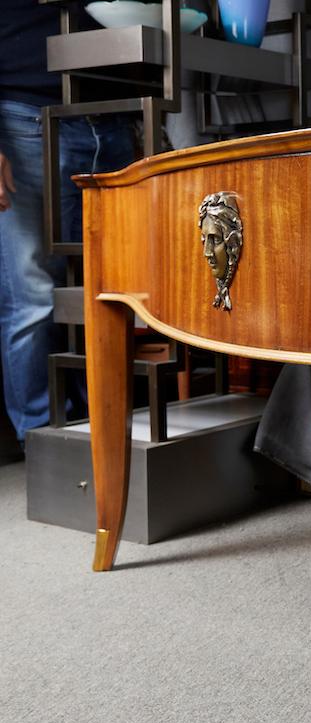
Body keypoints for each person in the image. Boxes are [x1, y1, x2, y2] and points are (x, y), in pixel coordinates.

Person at [0, 2, 136, 448]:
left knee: (115, 285)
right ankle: (41, 442)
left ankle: (105, 424)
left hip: (117, 112)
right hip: (25, 116)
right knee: (34, 293)